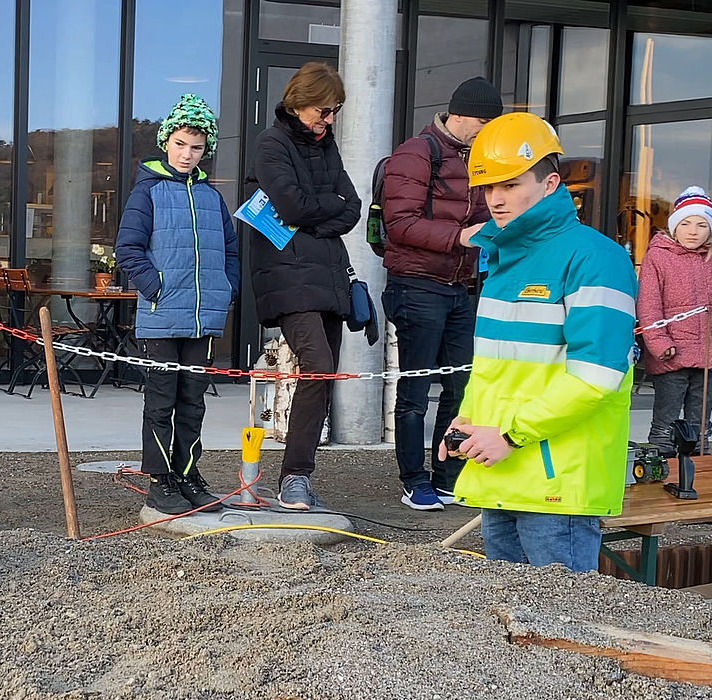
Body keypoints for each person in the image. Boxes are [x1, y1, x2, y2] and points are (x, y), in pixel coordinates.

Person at [442, 112, 637, 572]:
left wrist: (511, 433)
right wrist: (468, 418)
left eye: (510, 185)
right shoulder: (503, 257)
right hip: (504, 467)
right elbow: (494, 364)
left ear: (550, 184)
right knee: (508, 629)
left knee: (564, 632)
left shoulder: (595, 257)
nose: (497, 199)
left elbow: (597, 375)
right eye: (490, 188)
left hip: (557, 484)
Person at [381, 76, 503, 511]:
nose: (490, 132)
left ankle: (447, 476)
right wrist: (461, 237)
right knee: (414, 392)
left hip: (462, 288)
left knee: (460, 388)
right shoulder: (416, 154)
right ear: (460, 114)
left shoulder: (482, 157)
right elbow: (400, 224)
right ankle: (414, 480)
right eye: (485, 122)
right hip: (416, 285)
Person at [115, 94, 240, 514]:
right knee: (161, 402)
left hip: (204, 320)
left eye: (198, 147)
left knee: (193, 401)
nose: (188, 154)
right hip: (160, 318)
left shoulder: (212, 198)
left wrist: (227, 288)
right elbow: (128, 250)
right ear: (166, 141)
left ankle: (187, 474)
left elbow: (231, 250)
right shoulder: (146, 193)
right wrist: (157, 289)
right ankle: (160, 479)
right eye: (181, 144)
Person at [245, 62, 361, 511]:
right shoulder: (271, 143)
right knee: (317, 361)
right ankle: (293, 477)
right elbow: (291, 206)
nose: (329, 120)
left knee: (324, 372)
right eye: (324, 110)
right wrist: (322, 211)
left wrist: (315, 215)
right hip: (287, 275)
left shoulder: (327, 145)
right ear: (299, 103)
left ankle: (297, 475)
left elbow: (351, 207)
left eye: (334, 112)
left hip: (328, 274)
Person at [636, 186, 712, 455]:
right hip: (671, 355)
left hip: (707, 356)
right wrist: (659, 343)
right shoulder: (658, 256)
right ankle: (662, 463)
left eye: (701, 225)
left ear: (711, 231)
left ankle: (699, 469)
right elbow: (648, 304)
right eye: (685, 223)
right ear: (674, 227)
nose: (693, 231)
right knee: (666, 419)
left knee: (701, 421)